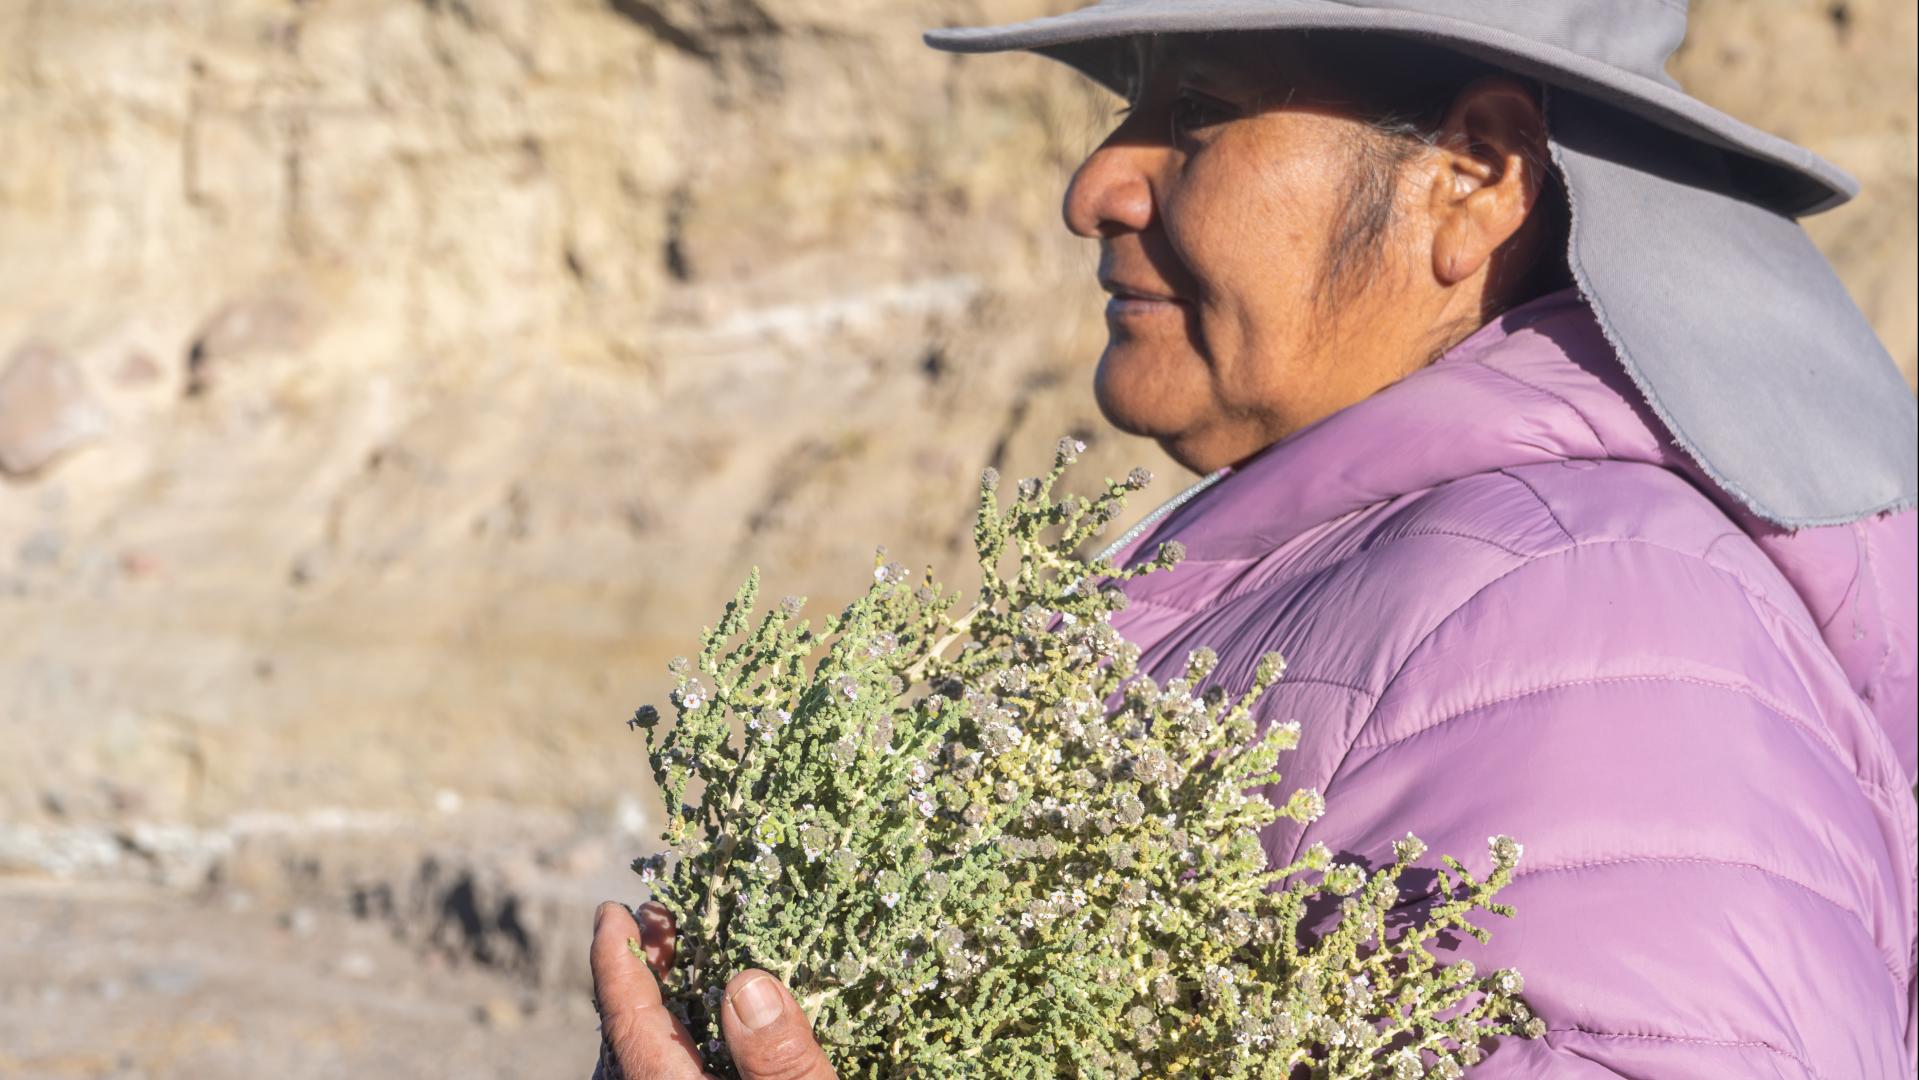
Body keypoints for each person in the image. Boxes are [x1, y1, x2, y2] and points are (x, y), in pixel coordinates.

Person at [590, 3, 1919, 1076]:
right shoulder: (1385, 574)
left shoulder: (1595, 606)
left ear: (1472, 176)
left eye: (1201, 115)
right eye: (1128, 116)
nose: (1097, 185)